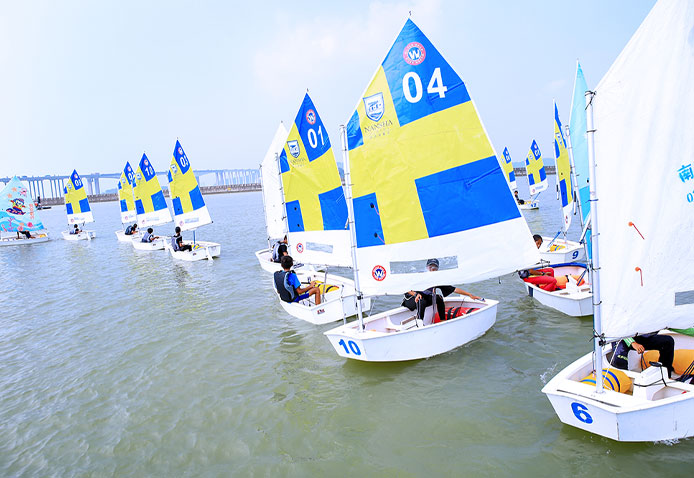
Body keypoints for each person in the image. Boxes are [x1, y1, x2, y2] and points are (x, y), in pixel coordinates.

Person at [402, 258, 482, 325]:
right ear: (427, 267)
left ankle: (442, 321)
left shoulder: (436, 279)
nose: (432, 269)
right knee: (421, 299)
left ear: (437, 269)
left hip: (423, 299)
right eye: (430, 267)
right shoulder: (419, 275)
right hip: (411, 299)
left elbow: (453, 289)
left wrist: (470, 295)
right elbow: (406, 288)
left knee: (439, 298)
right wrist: (415, 294)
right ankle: (420, 324)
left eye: (435, 267)